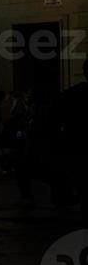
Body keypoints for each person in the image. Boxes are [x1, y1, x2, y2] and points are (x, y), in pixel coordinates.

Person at [54, 59, 88, 223]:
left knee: (83, 189)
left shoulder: (69, 94)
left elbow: (55, 122)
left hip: (76, 147)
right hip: (77, 147)